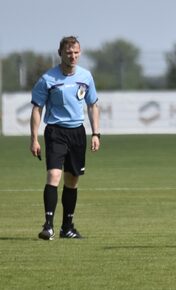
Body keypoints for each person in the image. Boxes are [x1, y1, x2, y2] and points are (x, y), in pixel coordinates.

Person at [30, 36, 100, 240]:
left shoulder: (86, 76)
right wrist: (34, 138)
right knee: (54, 176)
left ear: (80, 52)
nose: (73, 56)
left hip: (77, 133)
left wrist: (96, 133)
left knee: (72, 180)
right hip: (55, 132)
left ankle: (67, 227)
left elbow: (93, 105)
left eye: (76, 52)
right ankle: (48, 226)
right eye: (69, 52)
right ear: (60, 53)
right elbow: (37, 108)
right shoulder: (47, 79)